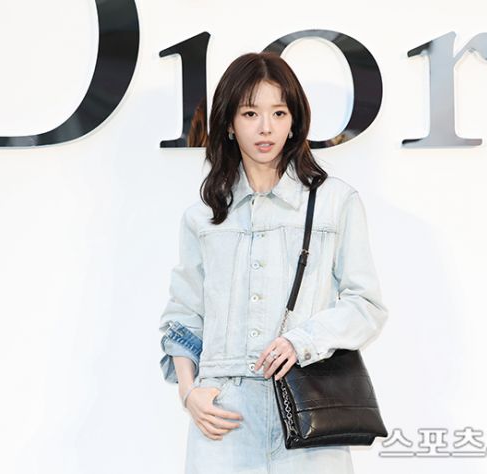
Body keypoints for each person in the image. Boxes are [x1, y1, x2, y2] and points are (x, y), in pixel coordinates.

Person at [158, 51, 388, 474]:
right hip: (224, 416)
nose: (266, 127)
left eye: (279, 113)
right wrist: (189, 394)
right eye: (250, 113)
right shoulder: (203, 218)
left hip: (307, 408)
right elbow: (183, 317)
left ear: (294, 121)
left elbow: (366, 305)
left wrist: (302, 340)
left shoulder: (334, 202)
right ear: (229, 123)